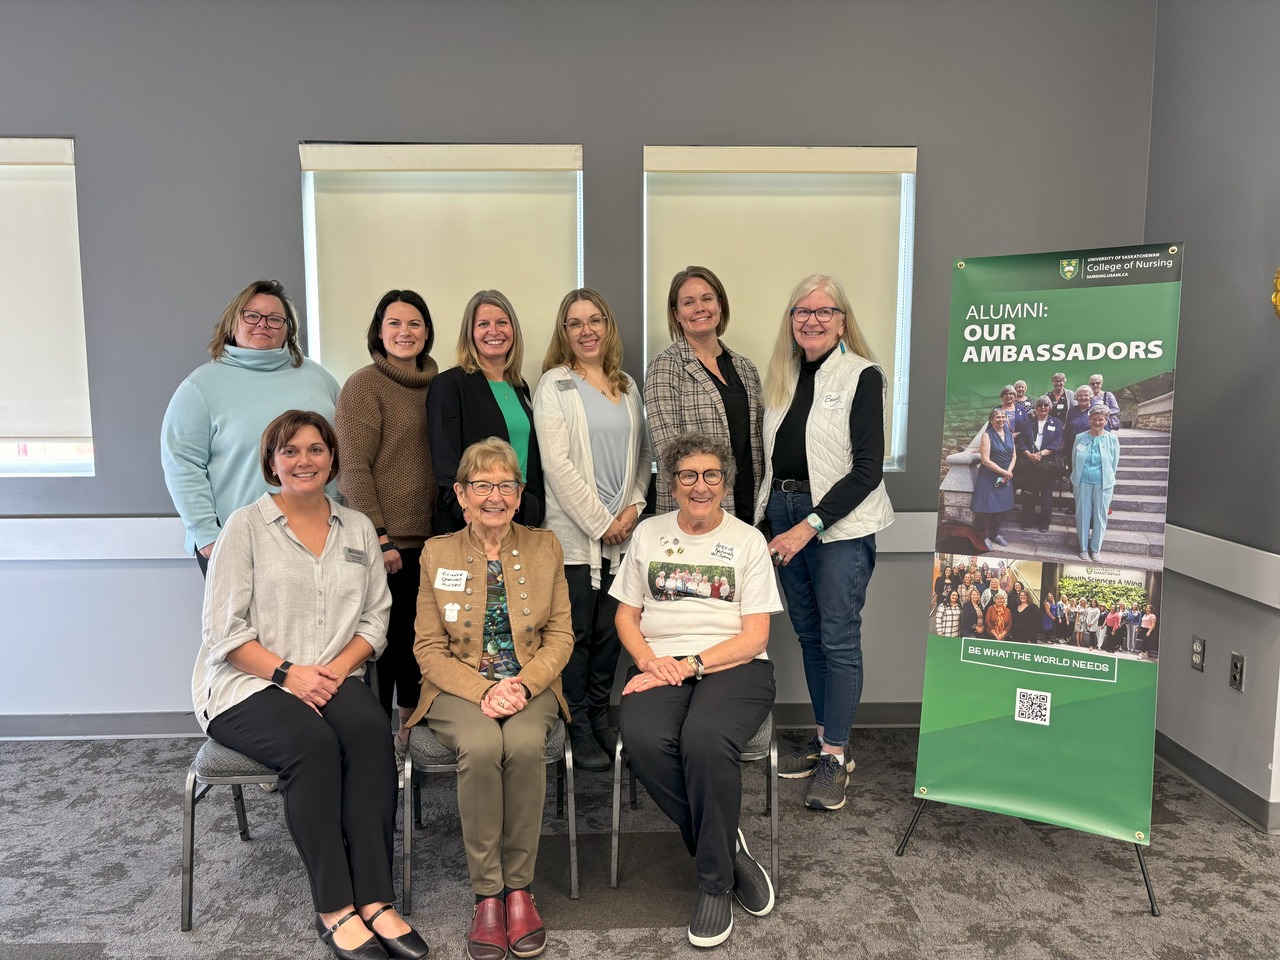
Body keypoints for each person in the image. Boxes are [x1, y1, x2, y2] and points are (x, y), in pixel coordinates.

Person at [193, 410, 428, 960]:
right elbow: (224, 632)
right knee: (313, 746)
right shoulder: (245, 527)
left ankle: (376, 899)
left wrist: (336, 669)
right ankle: (335, 907)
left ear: (332, 458)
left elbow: (375, 618)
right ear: (272, 462)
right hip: (248, 682)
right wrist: (288, 674)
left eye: (316, 449)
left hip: (331, 674)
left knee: (371, 734)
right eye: (291, 451)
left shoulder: (358, 527)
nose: (305, 460)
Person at [610, 432, 781, 948]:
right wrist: (648, 661)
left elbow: (756, 636)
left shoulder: (748, 541)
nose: (699, 486)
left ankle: (714, 883)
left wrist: (690, 665)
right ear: (672, 483)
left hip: (734, 665)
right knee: (643, 738)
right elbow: (626, 615)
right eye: (688, 475)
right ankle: (726, 845)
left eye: (711, 476)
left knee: (704, 739)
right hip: (660, 663)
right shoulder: (648, 533)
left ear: (725, 484)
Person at [407, 438, 573, 960]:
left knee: (522, 745)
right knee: (480, 746)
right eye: (482, 485)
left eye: (506, 485)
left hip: (530, 684)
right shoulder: (437, 553)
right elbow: (428, 649)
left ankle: (519, 889)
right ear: (461, 494)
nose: (494, 496)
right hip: (458, 687)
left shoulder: (546, 546)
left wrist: (521, 684)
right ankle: (487, 895)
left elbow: (561, 636)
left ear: (520, 495)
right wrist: (485, 690)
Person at [757, 275, 895, 810]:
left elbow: (867, 470)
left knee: (838, 638)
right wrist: (773, 518)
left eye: (824, 311)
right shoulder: (784, 375)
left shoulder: (863, 375)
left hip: (838, 523)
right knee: (810, 635)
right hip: (783, 510)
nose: (811, 320)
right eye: (802, 311)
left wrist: (810, 524)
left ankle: (837, 756)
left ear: (842, 321)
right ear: (791, 320)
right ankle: (823, 740)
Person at [533, 288, 652, 772]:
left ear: (608, 326)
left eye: (595, 320)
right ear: (564, 332)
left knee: (611, 634)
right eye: (575, 323)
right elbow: (557, 466)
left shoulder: (627, 385)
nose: (587, 331)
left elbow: (644, 455)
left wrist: (634, 507)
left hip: (622, 536)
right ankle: (577, 723)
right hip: (576, 537)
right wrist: (602, 523)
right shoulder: (555, 385)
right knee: (576, 633)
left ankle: (601, 716)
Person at [162, 279, 340, 574]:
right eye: (252, 316)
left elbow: (343, 452)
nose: (263, 324)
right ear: (233, 322)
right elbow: (181, 464)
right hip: (235, 541)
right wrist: (206, 533)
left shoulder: (320, 379)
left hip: (318, 536)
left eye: (274, 318)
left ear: (288, 329)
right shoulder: (200, 387)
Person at [334, 289, 438, 773]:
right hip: (386, 543)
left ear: (427, 332)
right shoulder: (364, 386)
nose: (404, 332)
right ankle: (375, 751)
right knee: (384, 646)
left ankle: (410, 735)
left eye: (414, 323)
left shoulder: (440, 384)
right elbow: (352, 468)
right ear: (379, 331)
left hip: (433, 542)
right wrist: (380, 536)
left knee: (421, 642)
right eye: (394, 323)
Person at [644, 266, 763, 522]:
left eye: (707, 299)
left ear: (720, 305)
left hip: (749, 502)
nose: (700, 308)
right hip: (696, 507)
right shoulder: (665, 366)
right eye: (689, 302)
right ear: (676, 314)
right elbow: (667, 450)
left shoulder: (746, 368)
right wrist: (706, 492)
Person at [428, 290, 544, 533]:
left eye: (502, 322)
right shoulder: (449, 385)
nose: (494, 331)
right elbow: (445, 462)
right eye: (483, 324)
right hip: (472, 520)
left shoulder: (519, 387)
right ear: (470, 333)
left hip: (518, 515)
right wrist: (467, 513)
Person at [1071, 404, 1121, 561]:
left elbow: (1114, 464)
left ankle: (1096, 549)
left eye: (1100, 420)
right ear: (1089, 420)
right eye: (1094, 419)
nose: (1097, 423)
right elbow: (1074, 460)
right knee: (1082, 515)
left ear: (1106, 421)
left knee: (1100, 516)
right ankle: (1083, 548)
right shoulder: (1080, 437)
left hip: (1103, 483)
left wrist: (1108, 478)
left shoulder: (1112, 439)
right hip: (1082, 482)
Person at [1015, 396, 1065, 531]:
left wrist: (1041, 454)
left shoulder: (1057, 423)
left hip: (1047, 464)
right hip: (1030, 463)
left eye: (1046, 405)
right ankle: (1027, 520)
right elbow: (1021, 442)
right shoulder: (1028, 423)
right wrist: (1029, 455)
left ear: (1050, 407)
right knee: (1028, 493)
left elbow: (1057, 442)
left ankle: (1044, 522)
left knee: (1046, 494)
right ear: (1036, 407)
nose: (1043, 408)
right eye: (1040, 405)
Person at [971, 407, 1017, 550]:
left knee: (1001, 508)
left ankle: (995, 534)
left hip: (1006, 475)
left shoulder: (1009, 435)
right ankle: (984, 536)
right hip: (989, 475)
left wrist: (1008, 472)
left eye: (1003, 417)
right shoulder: (987, 435)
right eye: (998, 417)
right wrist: (1004, 472)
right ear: (991, 420)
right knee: (987, 507)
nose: (1001, 419)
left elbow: (1014, 456)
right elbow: (985, 461)